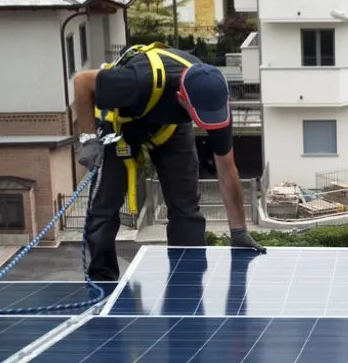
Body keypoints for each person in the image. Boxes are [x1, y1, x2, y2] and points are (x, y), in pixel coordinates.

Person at [72, 42, 265, 283]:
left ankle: (188, 280)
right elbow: (82, 82)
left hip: (170, 125)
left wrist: (238, 231)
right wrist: (89, 138)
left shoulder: (212, 97)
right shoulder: (137, 80)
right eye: (201, 118)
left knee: (186, 205)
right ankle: (103, 281)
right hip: (122, 121)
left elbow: (227, 169)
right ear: (181, 98)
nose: (206, 125)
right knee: (105, 204)